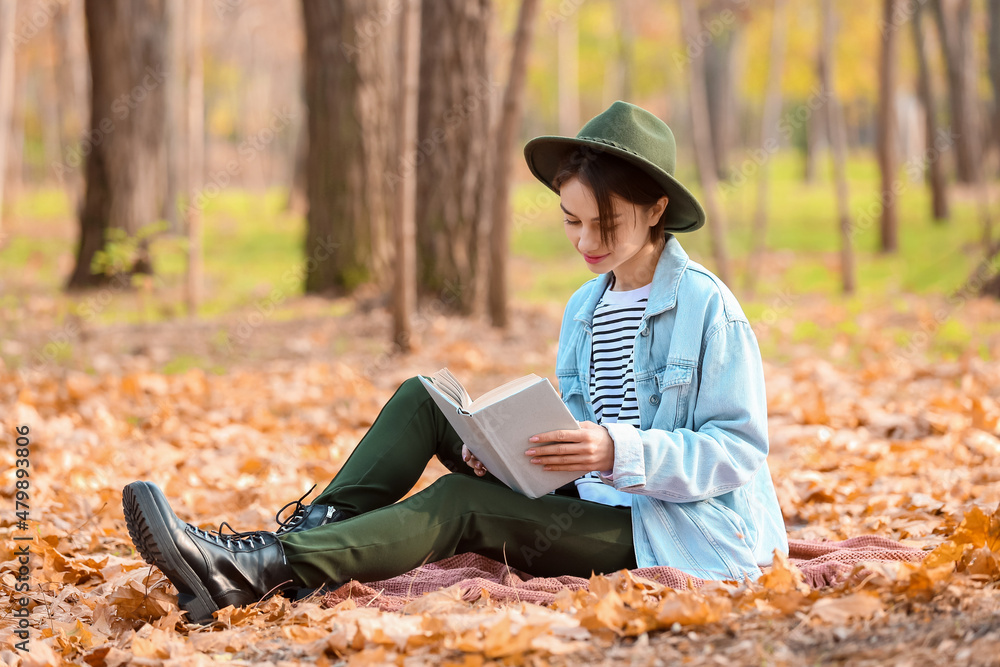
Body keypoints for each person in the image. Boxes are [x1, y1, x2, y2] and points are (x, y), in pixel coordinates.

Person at [122, 100, 788, 624]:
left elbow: (737, 448)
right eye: (569, 221)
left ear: (656, 208)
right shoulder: (587, 306)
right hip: (590, 496)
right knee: (423, 398)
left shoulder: (708, 308)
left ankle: (258, 567)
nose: (584, 241)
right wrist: (507, 455)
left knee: (461, 503)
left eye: (603, 225)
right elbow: (579, 422)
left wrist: (613, 449)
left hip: (670, 530)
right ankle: (318, 530)